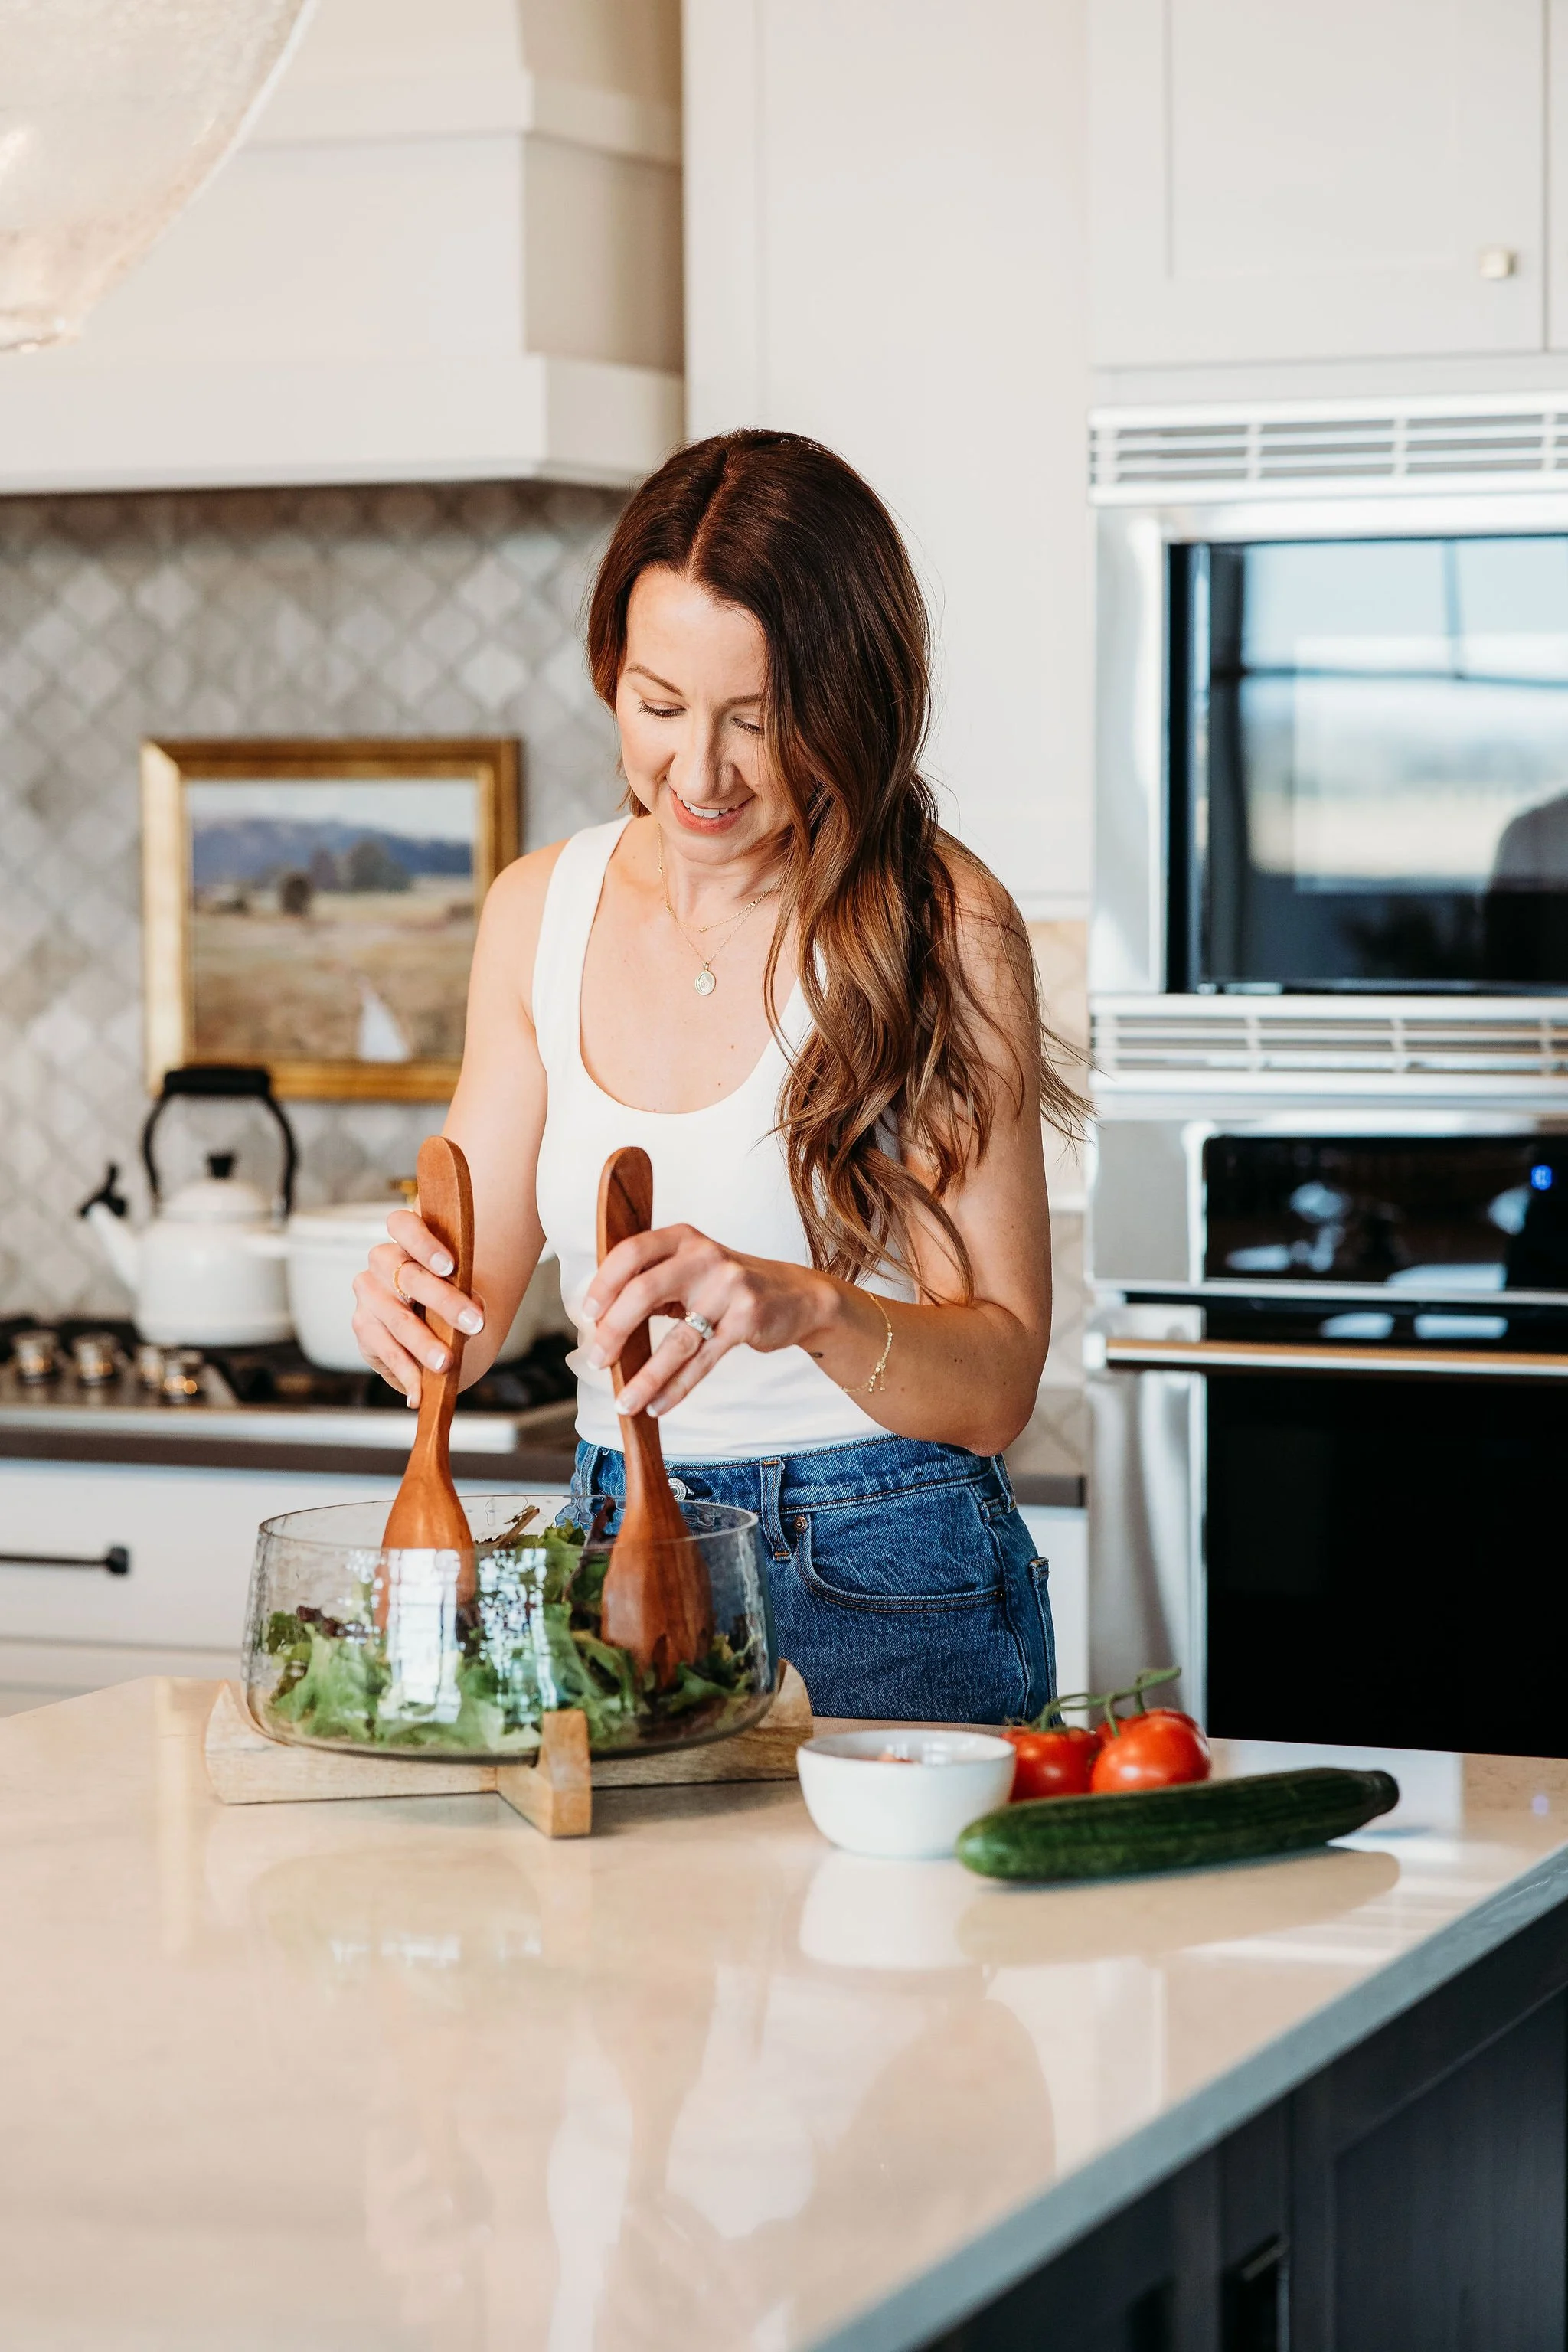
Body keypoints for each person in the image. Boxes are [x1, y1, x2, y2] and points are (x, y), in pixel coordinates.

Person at [352, 430, 1082, 1722]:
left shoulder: (942, 924)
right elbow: (467, 1318)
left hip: (881, 1565)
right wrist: (410, 1305)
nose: (699, 775)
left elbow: (998, 1384)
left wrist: (807, 1306)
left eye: (758, 720)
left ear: (849, 700)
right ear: (608, 677)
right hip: (607, 1550)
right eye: (660, 706)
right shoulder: (540, 910)